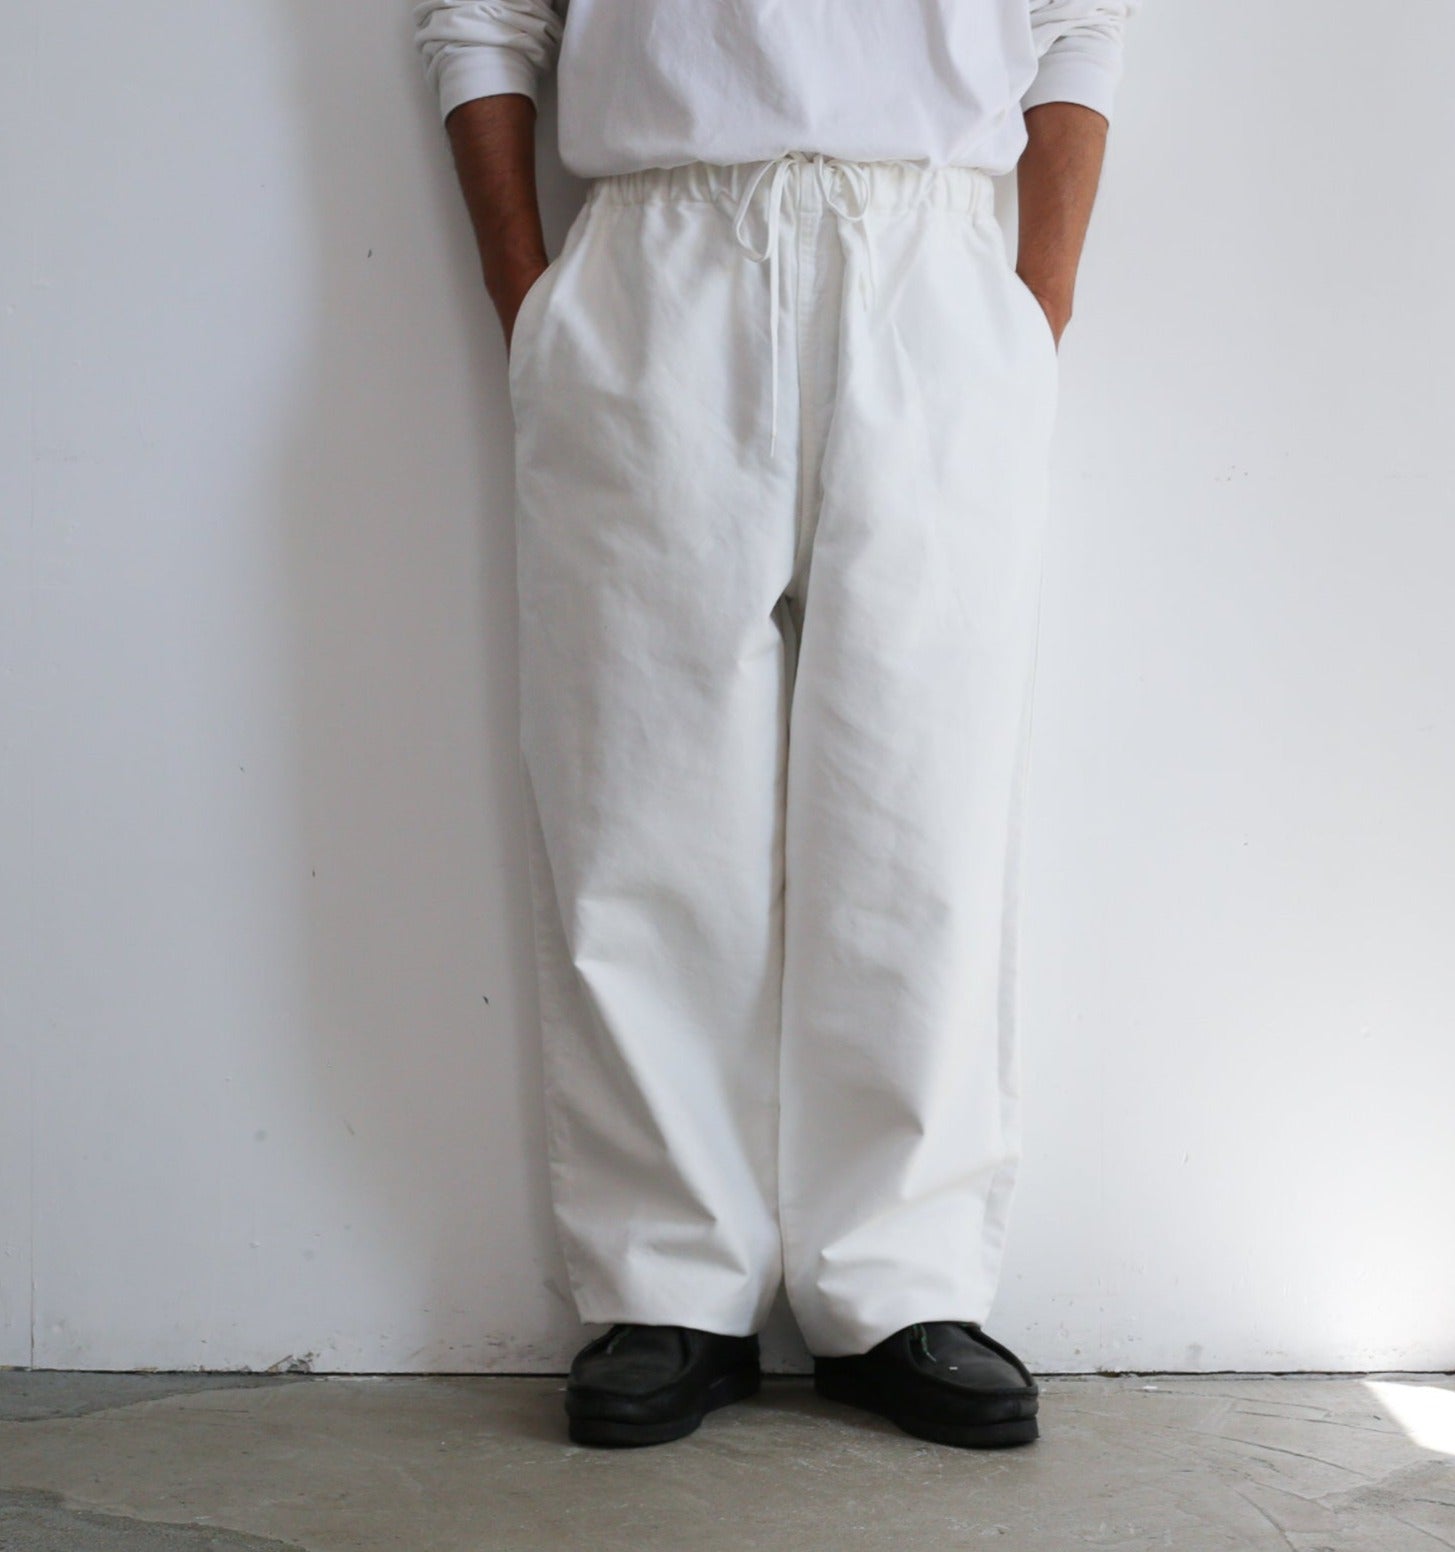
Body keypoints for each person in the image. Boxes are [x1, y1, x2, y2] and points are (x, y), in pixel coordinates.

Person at [412, 0, 1137, 1450]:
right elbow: (481, 21)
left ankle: (902, 1283)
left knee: (923, 800)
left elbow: (1075, 25)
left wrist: (1035, 302)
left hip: (934, 270)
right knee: (642, 800)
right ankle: (668, 1283)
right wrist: (530, 301)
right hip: (656, 262)